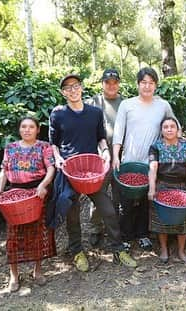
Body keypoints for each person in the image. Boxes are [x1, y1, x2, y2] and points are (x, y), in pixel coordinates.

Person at [48, 73, 136, 272]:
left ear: (81, 88)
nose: (73, 90)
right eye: (68, 88)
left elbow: (101, 138)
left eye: (76, 86)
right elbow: (53, 143)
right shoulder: (58, 113)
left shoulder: (95, 112)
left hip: (92, 169)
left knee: (108, 209)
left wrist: (105, 152)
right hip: (70, 170)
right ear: (63, 93)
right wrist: (58, 157)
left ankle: (118, 248)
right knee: (73, 213)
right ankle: (77, 251)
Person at [112, 67, 178, 251]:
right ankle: (125, 236)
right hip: (129, 160)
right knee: (126, 202)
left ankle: (142, 234)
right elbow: (119, 131)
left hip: (151, 162)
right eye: (144, 83)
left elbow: (173, 125)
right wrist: (116, 156)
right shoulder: (127, 104)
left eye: (151, 83)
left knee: (144, 201)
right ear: (137, 84)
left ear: (156, 85)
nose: (147, 86)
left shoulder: (162, 105)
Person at [0, 116, 56, 292]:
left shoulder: (44, 146)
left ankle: (38, 271)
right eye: (23, 127)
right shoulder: (10, 148)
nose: (27, 130)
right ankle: (13, 275)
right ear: (19, 129)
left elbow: (51, 168)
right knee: (13, 236)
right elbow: (4, 171)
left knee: (38, 234)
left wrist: (43, 185)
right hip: (15, 194)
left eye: (31, 127)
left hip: (36, 194)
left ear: (37, 129)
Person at [148, 117, 186, 263]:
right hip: (162, 185)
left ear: (177, 129)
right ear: (161, 131)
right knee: (161, 220)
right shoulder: (155, 146)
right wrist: (152, 188)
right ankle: (164, 249)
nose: (169, 129)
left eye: (172, 127)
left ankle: (181, 250)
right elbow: (153, 167)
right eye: (165, 127)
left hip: (181, 186)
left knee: (182, 220)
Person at [86, 68, 123, 247]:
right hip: (99, 155)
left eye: (114, 82)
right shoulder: (93, 102)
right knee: (98, 193)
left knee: (118, 193)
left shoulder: (125, 103)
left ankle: (114, 228)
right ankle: (95, 228)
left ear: (118, 84)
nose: (111, 85)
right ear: (102, 83)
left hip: (122, 154)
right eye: (107, 82)